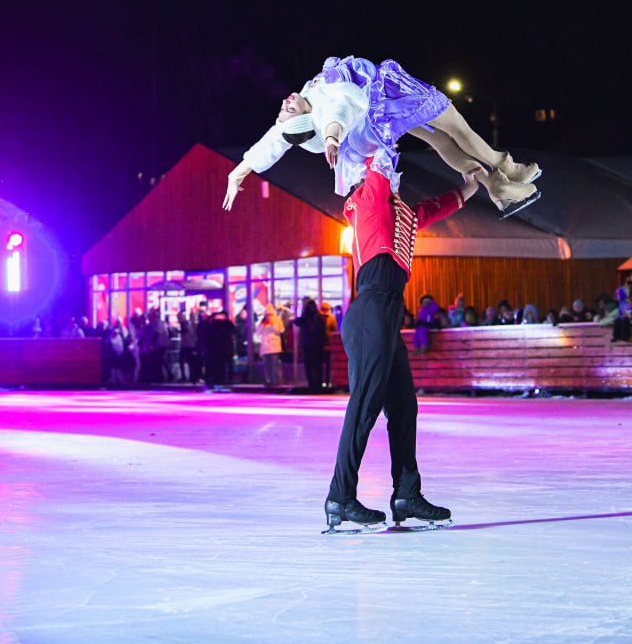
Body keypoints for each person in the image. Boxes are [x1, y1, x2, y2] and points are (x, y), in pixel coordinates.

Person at [324, 158, 475, 532]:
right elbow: (379, 157)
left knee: (404, 407)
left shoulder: (397, 211)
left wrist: (469, 186)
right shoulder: (368, 199)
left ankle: (407, 494)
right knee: (365, 405)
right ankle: (340, 497)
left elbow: (429, 210)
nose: (395, 171)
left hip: (388, 314)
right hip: (371, 310)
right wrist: (382, 138)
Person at [222, 55, 540, 218]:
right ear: (306, 118)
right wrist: (332, 138)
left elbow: (273, 141)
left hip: (381, 113)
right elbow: (337, 115)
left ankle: (494, 185)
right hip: (391, 94)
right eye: (289, 109)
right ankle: (505, 167)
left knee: (439, 140)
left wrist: (238, 172)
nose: (285, 102)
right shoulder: (324, 107)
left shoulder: (308, 102)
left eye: (283, 109)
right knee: (456, 125)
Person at [294, 298, 329, 392]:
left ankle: (312, 385)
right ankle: (318, 385)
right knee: (317, 366)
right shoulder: (320, 317)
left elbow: (297, 321)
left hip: (308, 345)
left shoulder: (305, 318)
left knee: (309, 366)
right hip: (317, 345)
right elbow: (323, 331)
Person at [198, 310, 237, 389]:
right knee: (220, 364)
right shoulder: (214, 325)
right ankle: (220, 379)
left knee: (223, 364)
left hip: (220, 349)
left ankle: (221, 379)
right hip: (218, 349)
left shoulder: (219, 325)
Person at [255, 307, 285, 387]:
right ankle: (269, 380)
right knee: (267, 365)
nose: (268, 316)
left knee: (275, 365)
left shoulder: (277, 320)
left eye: (270, 314)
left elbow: (281, 330)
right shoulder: (263, 322)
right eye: (267, 314)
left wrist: (272, 325)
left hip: (274, 346)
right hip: (265, 347)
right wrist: (263, 324)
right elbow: (258, 332)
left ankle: (277, 381)